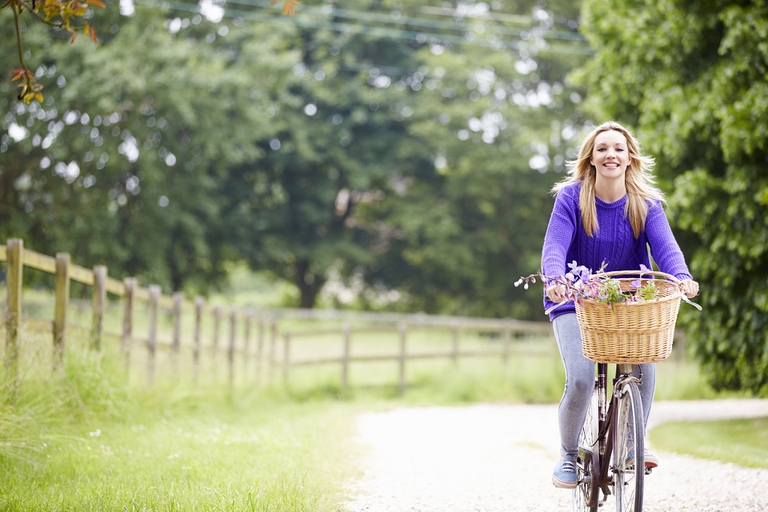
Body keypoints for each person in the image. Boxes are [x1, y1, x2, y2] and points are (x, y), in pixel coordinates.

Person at [541, 121, 699, 489]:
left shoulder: (646, 204)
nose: (611, 154)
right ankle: (567, 455)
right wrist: (554, 279)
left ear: (630, 158)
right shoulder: (570, 198)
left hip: (630, 303)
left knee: (643, 363)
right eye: (602, 149)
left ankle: (631, 445)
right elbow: (554, 248)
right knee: (581, 380)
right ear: (591, 159)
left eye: (618, 148)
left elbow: (666, 249)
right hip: (574, 300)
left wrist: (682, 277)